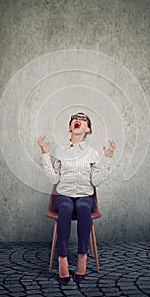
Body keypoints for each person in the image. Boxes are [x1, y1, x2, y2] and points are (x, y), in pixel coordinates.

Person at [37, 112, 116, 284]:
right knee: (66, 207)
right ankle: (62, 259)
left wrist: (107, 158)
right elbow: (54, 180)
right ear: (70, 126)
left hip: (85, 197)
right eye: (75, 118)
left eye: (83, 119)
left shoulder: (93, 153)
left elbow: (96, 181)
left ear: (87, 129)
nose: (78, 120)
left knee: (83, 207)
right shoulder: (60, 150)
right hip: (63, 196)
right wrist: (44, 154)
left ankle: (82, 257)